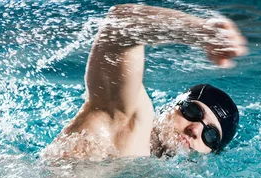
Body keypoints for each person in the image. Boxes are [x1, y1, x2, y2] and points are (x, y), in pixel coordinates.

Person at [43, 4, 248, 161]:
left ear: (210, 153)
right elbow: (122, 22)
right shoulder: (127, 118)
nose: (195, 130)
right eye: (193, 112)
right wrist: (201, 32)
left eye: (210, 136)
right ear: (172, 106)